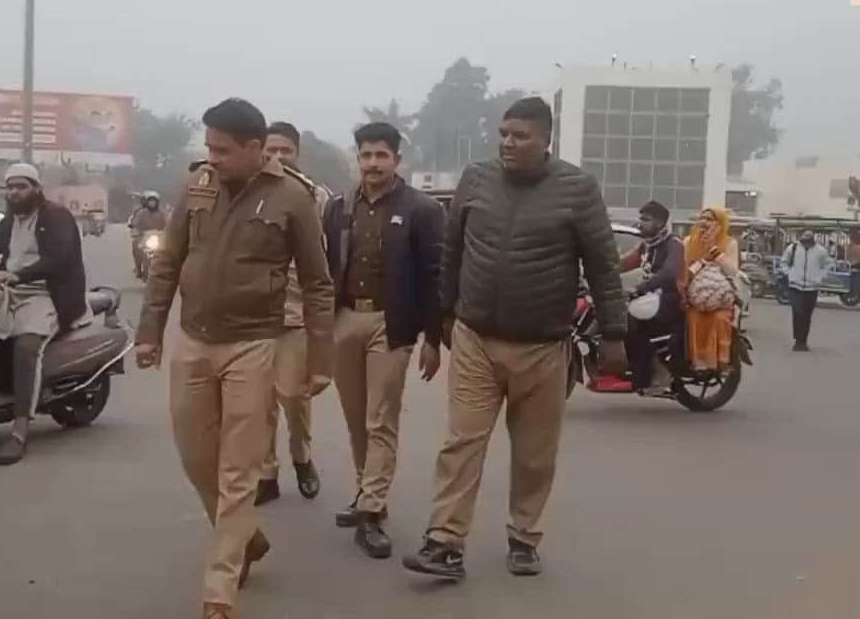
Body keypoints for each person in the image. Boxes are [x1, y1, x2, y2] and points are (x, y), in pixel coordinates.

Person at [403, 97, 627, 580]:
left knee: (534, 453)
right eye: (503, 133)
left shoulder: (577, 189)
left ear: (546, 140)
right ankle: (445, 542)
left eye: (520, 136)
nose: (507, 143)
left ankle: (524, 536)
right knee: (461, 442)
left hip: (543, 346)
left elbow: (604, 265)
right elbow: (452, 252)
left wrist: (614, 333)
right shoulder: (476, 179)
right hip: (474, 339)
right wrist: (443, 318)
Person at [135, 98, 333, 619]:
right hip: (194, 341)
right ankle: (247, 538)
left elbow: (318, 283)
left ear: (255, 148)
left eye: (222, 150)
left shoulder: (293, 197)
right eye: (208, 148)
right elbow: (168, 260)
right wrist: (150, 331)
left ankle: (219, 592)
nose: (212, 158)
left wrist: (321, 357)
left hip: (254, 344)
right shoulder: (197, 186)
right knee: (195, 456)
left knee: (238, 469)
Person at [320, 122, 445, 559]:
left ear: (397, 159)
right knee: (356, 417)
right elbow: (325, 267)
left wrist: (433, 338)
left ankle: (371, 511)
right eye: (365, 155)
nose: (372, 164)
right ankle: (366, 491)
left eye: (381, 155)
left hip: (391, 325)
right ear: (357, 158)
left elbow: (434, 277)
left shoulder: (422, 210)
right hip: (345, 319)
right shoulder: (338, 208)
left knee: (380, 418)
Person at [0, 163, 90, 465]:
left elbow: (58, 259)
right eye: (10, 187)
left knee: (26, 345)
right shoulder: (11, 220)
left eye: (21, 186)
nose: (14, 192)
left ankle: (20, 429)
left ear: (36, 188)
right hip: (10, 291)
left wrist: (18, 276)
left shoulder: (56, 217)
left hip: (47, 295)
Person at [255, 121, 332, 506]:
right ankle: (266, 473)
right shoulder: (248, 193)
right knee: (258, 401)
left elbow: (328, 259)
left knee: (293, 396)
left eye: (285, 150)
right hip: (253, 317)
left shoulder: (315, 197)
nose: (278, 157)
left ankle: (301, 457)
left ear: (297, 153)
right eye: (271, 150)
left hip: (296, 314)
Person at [618, 200, 685, 394]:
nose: (641, 223)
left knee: (629, 323)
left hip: (668, 299)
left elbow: (669, 273)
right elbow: (623, 263)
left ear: (660, 223)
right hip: (649, 297)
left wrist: (641, 288)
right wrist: (596, 270)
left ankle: (656, 373)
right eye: (641, 218)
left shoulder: (673, 244)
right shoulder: (647, 245)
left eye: (646, 219)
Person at [682, 207, 740, 372]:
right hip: (694, 298)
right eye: (702, 218)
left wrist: (715, 251)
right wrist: (703, 261)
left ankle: (718, 363)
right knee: (692, 319)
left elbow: (732, 272)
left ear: (720, 224)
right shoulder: (688, 242)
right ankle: (696, 362)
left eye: (709, 219)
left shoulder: (730, 243)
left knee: (718, 319)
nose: (704, 222)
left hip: (721, 301)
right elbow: (684, 272)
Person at [780, 230, 830, 351]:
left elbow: (827, 265)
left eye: (809, 241)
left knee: (807, 316)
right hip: (795, 286)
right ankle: (797, 339)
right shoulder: (793, 248)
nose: (806, 243)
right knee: (798, 313)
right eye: (804, 241)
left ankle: (803, 341)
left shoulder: (821, 251)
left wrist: (820, 277)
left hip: (812, 288)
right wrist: (789, 274)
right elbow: (784, 262)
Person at [129, 190, 167, 278]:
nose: (152, 203)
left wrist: (168, 231)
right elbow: (135, 224)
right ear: (147, 202)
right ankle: (138, 268)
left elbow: (168, 224)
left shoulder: (162, 213)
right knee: (135, 245)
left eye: (154, 201)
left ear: (157, 202)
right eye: (150, 201)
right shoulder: (141, 213)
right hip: (144, 237)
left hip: (159, 237)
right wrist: (134, 229)